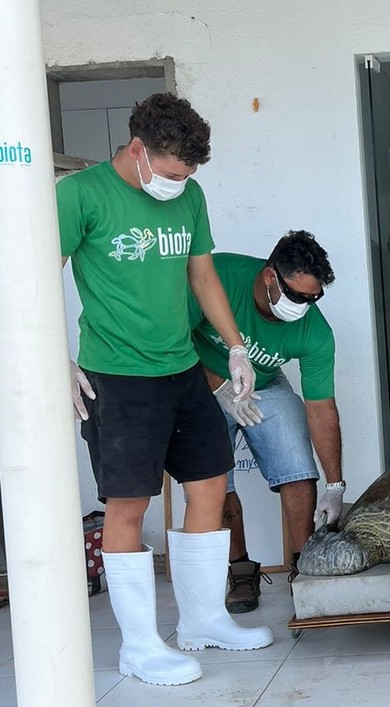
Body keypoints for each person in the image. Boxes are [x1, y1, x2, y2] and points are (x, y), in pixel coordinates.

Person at [59, 93, 273, 687]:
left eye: (191, 174)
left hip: (180, 369)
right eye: (175, 172)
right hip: (117, 374)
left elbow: (201, 272)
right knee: (130, 503)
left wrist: (235, 346)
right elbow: (29, 272)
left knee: (208, 484)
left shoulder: (190, 196)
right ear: (138, 152)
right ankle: (140, 647)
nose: (182, 184)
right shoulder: (80, 195)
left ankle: (203, 621)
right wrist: (52, 355)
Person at [187, 231, 344, 613]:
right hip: (196, 376)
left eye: (313, 298)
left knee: (295, 460)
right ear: (270, 277)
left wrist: (336, 484)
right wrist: (221, 387)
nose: (304, 306)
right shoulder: (219, 274)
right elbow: (172, 341)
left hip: (264, 383)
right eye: (297, 296)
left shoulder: (314, 331)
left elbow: (321, 408)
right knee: (212, 477)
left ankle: (303, 566)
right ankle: (240, 570)